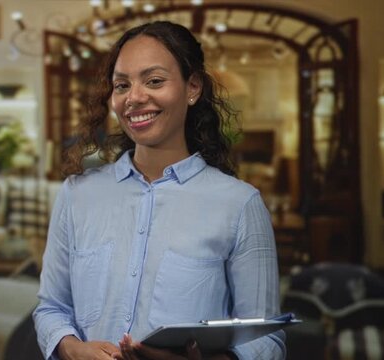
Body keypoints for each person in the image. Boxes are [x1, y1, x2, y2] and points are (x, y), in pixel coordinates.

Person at [33, 21, 285, 360]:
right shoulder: (77, 195)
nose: (134, 97)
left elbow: (266, 338)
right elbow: (51, 307)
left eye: (154, 81)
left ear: (192, 87)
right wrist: (72, 348)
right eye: (122, 85)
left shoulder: (239, 205)